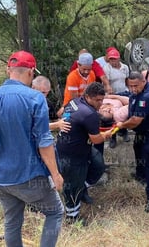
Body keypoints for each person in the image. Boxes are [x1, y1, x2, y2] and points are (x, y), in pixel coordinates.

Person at [0, 51, 64, 247]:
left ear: (9, 70)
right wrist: (56, 174)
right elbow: (44, 142)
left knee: (12, 222)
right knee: (55, 212)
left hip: (1, 177)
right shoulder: (35, 98)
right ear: (31, 72)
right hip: (29, 176)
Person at [56, 82, 113, 222]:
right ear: (87, 96)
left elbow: (66, 115)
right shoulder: (89, 114)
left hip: (75, 145)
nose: (100, 103)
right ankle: (72, 218)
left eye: (102, 100)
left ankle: (82, 188)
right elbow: (96, 140)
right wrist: (106, 135)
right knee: (72, 187)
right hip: (72, 153)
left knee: (98, 165)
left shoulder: (75, 101)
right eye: (97, 100)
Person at [115, 72, 149, 213]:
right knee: (138, 148)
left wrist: (120, 125)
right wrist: (111, 95)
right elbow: (128, 96)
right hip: (142, 131)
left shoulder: (147, 96)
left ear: (144, 81)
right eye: (130, 86)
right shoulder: (137, 91)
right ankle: (141, 175)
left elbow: (135, 121)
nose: (132, 89)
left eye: (135, 86)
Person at [58, 52, 96, 117]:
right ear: (78, 65)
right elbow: (75, 99)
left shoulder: (92, 74)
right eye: (84, 69)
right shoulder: (72, 76)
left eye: (89, 69)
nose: (86, 72)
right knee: (67, 118)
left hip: (87, 103)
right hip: (72, 104)